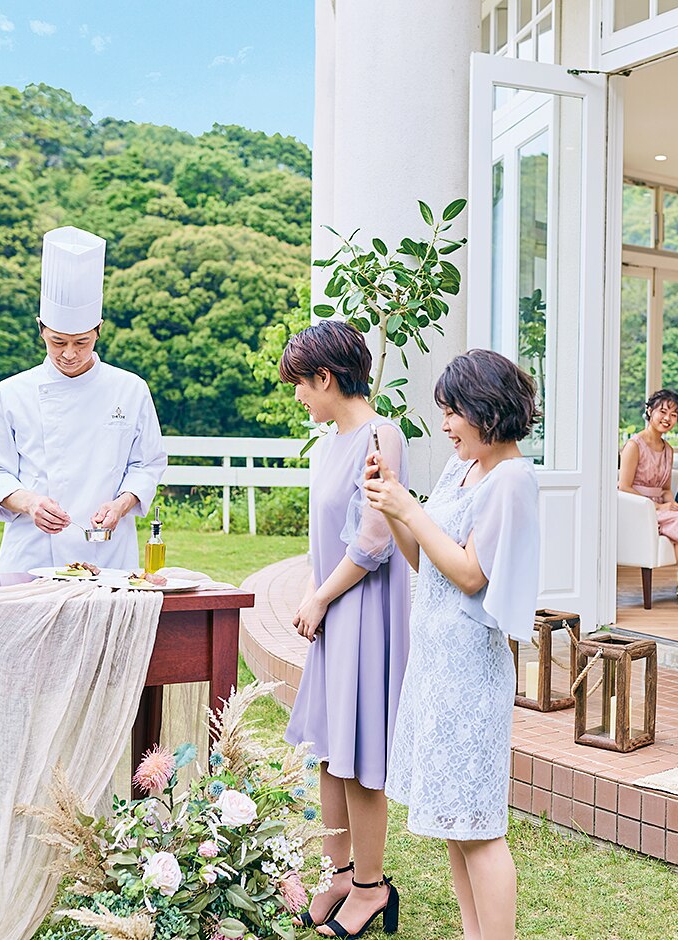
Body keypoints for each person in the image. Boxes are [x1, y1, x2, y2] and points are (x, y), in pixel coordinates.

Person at [364, 349, 540, 940]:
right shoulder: (462, 469)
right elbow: (425, 562)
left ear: (486, 411)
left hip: (470, 670)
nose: (445, 426)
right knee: (456, 824)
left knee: (481, 827)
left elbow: (471, 574)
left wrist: (408, 508)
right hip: (436, 664)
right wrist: (392, 507)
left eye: (451, 413)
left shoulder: (512, 479)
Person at [279, 320, 408, 938]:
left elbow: (374, 538)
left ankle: (370, 887)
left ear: (326, 378)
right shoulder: (331, 441)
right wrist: (311, 594)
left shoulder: (382, 434)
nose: (299, 396)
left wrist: (322, 598)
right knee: (331, 749)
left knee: (359, 755)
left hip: (362, 609)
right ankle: (337, 872)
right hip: (333, 607)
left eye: (301, 385)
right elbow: (323, 542)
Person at [0, 226, 167, 573]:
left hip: (108, 552)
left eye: (81, 342)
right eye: (57, 341)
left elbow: (147, 464)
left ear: (98, 329)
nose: (69, 354)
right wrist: (31, 503)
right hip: (31, 553)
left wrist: (122, 505)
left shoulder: (131, 388)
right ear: (40, 329)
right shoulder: (11, 392)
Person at [618, 389, 678, 604]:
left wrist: (670, 503)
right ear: (649, 411)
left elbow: (664, 489)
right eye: (662, 411)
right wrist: (656, 508)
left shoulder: (668, 449)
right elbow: (623, 487)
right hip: (639, 511)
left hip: (659, 511)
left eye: (673, 415)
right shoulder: (634, 446)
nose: (667, 418)